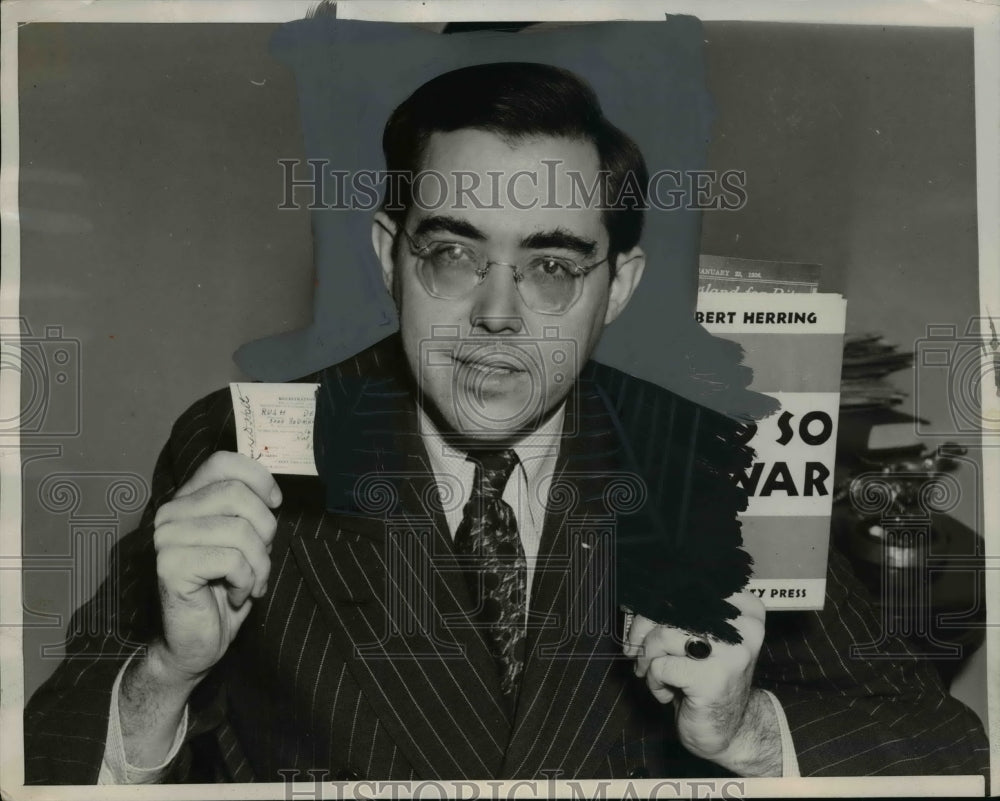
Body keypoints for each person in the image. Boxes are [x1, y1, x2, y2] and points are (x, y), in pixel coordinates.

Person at [25, 62, 988, 784]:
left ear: (618, 289)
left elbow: (945, 751)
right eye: (452, 252)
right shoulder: (240, 439)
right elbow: (43, 757)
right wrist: (167, 669)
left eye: (554, 266)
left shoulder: (712, 457)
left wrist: (752, 732)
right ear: (389, 256)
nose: (497, 313)